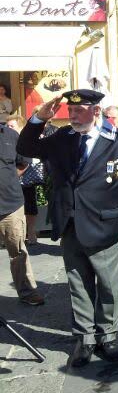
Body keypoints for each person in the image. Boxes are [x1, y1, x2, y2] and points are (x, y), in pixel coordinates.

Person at [17, 89, 118, 367]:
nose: (73, 115)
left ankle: (107, 336)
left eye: (80, 110)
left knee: (109, 286)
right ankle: (85, 339)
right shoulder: (62, 137)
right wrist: (38, 119)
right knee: (78, 284)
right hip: (70, 224)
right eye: (71, 110)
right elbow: (27, 148)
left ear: (96, 111)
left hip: (106, 225)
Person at [0, 121, 44, 306]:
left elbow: (23, 161)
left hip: (10, 204)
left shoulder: (10, 135)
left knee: (18, 251)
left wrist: (8, 178)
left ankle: (27, 291)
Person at [6, 115, 40, 246]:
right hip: (10, 182)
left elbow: (25, 162)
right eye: (7, 126)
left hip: (25, 180)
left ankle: (31, 233)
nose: (8, 128)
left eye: (11, 126)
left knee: (29, 206)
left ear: (20, 127)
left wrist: (12, 177)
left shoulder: (23, 141)